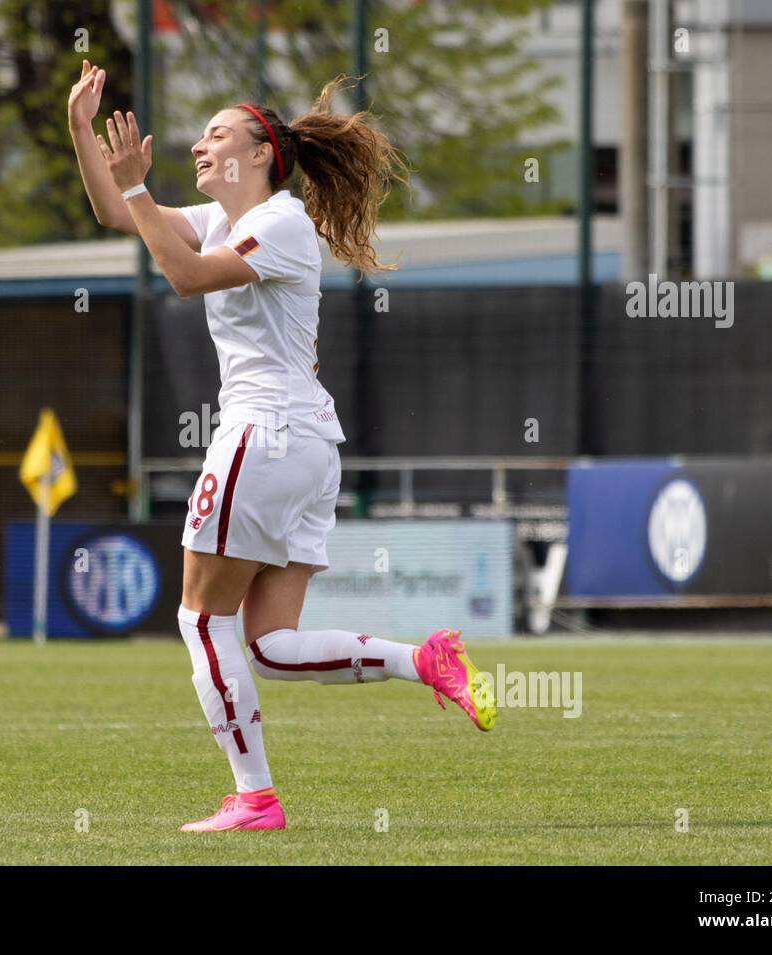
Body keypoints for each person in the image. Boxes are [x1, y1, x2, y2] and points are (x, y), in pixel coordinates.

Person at [68, 61, 496, 832]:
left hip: (264, 435)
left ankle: (255, 797)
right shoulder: (221, 220)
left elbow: (187, 278)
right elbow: (113, 214)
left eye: (218, 133)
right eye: (199, 134)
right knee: (266, 643)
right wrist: (82, 131)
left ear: (261, 152)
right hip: (302, 443)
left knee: (202, 620)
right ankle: (423, 658)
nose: (200, 144)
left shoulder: (283, 221)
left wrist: (136, 186)